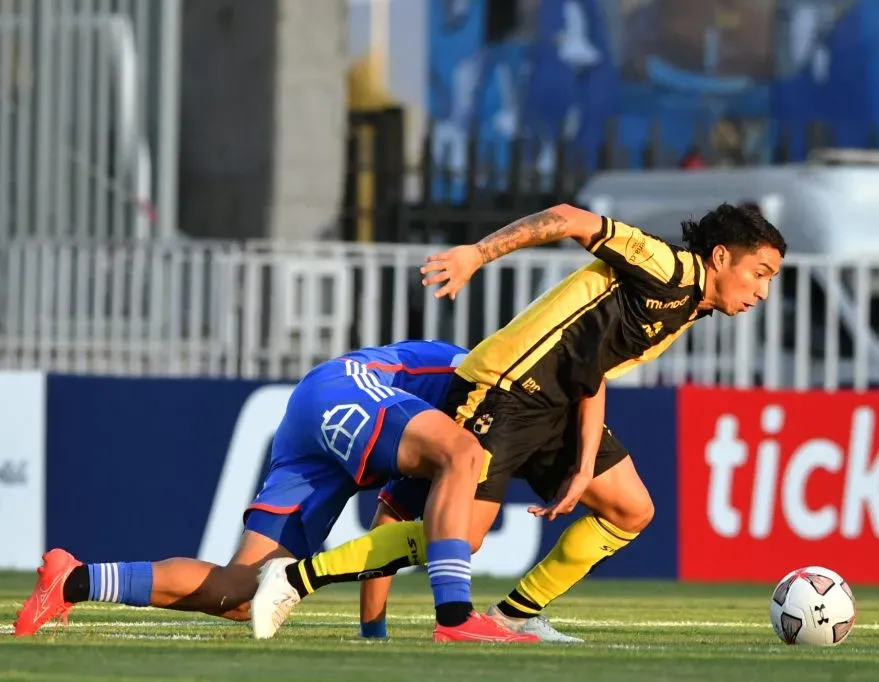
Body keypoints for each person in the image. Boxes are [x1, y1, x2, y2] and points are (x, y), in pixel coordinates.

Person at [251, 202, 787, 642]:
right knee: (462, 538)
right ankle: (296, 577)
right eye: (759, 274)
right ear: (720, 256)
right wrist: (477, 254)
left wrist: (583, 466)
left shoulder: (687, 307)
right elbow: (570, 217)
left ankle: (513, 616)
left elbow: (594, 373)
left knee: (630, 510)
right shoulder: (667, 268)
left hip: (557, 407)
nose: (763, 292)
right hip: (503, 390)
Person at [13, 340, 538, 644]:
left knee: (240, 592)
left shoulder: (443, 444)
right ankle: (457, 617)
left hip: (317, 420)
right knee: (463, 459)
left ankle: (74, 580)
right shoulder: (482, 390)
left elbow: (388, 532)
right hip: (342, 389)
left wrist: (373, 637)